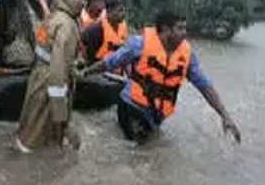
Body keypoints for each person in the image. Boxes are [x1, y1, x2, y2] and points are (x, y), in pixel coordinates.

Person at [89, 10, 241, 144]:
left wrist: (225, 115)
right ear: (166, 30)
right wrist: (87, 72)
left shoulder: (187, 55)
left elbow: (204, 85)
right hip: (132, 106)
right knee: (141, 153)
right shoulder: (139, 44)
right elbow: (109, 62)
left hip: (155, 114)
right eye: (180, 28)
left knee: (152, 147)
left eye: (185, 28)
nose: (185, 33)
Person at [15, 0, 87, 153]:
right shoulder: (66, 25)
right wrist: (63, 118)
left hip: (38, 78)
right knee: (42, 141)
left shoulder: (52, 17)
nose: (83, 2)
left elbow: (47, 52)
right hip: (51, 85)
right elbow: (57, 71)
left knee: (29, 130)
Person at [81, 0, 129, 69]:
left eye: (124, 11)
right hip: (98, 70)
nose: (123, 14)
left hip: (116, 71)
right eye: (120, 10)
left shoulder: (124, 29)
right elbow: (86, 53)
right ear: (109, 12)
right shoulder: (96, 29)